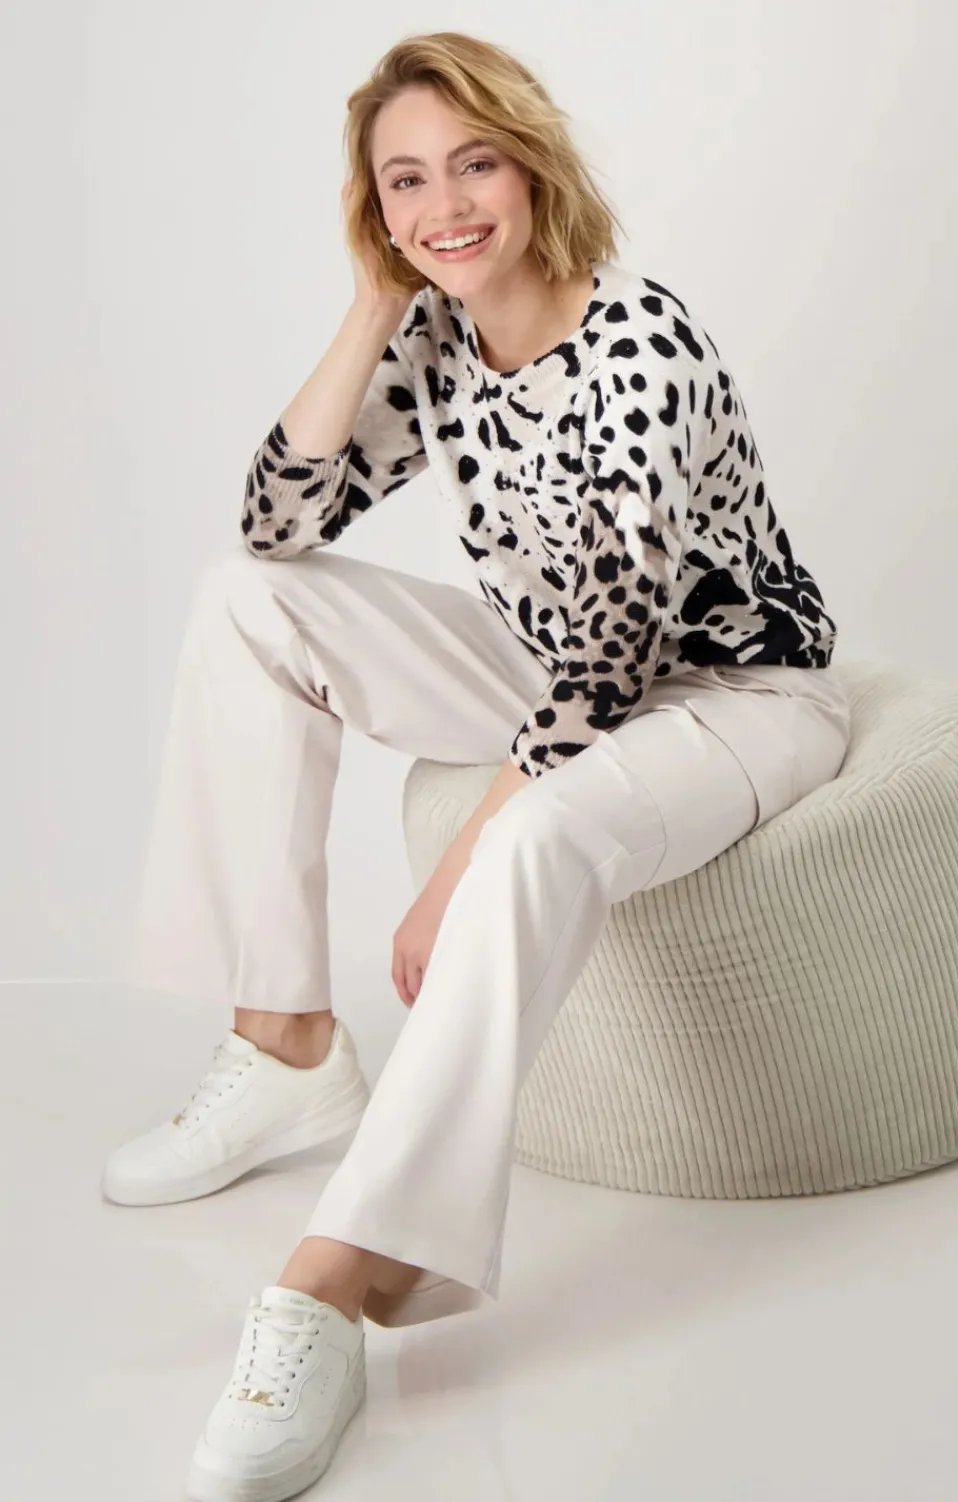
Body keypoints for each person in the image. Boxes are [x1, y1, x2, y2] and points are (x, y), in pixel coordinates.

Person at [105, 29, 851, 1502]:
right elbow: (275, 524)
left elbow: (613, 664)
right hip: (553, 665)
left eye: (474, 166)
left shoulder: (642, 346)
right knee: (245, 602)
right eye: (404, 182)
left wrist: (450, 874)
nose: (445, 206)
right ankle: (283, 1046)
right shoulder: (438, 336)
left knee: (527, 840)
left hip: (734, 691)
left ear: (533, 168)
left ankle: (333, 1281)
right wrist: (371, 305)